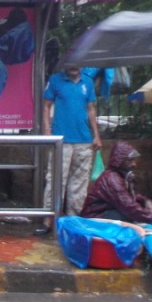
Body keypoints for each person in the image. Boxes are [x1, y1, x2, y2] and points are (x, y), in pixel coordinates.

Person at [42, 65, 103, 225]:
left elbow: (91, 109)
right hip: (61, 140)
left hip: (84, 140)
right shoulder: (55, 80)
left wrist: (96, 135)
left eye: (77, 63)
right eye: (70, 63)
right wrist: (47, 131)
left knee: (80, 183)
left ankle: (74, 220)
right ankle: (49, 219)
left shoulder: (88, 82)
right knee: (55, 180)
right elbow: (46, 106)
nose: (73, 66)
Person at [80, 141, 152, 231]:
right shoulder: (112, 179)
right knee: (126, 216)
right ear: (119, 161)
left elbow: (132, 194)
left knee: (135, 212)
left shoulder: (122, 175)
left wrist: (145, 200)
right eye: (129, 161)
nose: (134, 164)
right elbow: (129, 207)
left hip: (105, 212)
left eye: (133, 160)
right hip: (93, 219)